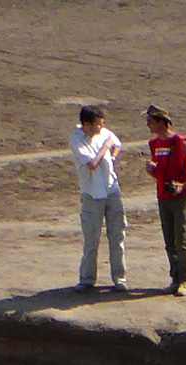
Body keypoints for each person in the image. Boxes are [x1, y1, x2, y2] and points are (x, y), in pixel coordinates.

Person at [143, 106, 186, 296]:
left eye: (150, 121)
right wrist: (152, 171)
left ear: (160, 122)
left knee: (182, 239)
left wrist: (184, 185)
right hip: (163, 196)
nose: (148, 125)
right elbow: (160, 172)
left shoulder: (181, 142)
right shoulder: (154, 144)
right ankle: (175, 278)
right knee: (169, 240)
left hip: (183, 197)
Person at [70, 107, 128, 291]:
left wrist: (112, 154)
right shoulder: (76, 139)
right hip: (91, 194)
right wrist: (105, 148)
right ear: (87, 124)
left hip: (112, 191)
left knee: (117, 236)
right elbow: (93, 164)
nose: (102, 126)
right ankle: (87, 280)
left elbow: (116, 144)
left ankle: (120, 279)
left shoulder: (104, 132)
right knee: (91, 239)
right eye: (98, 124)